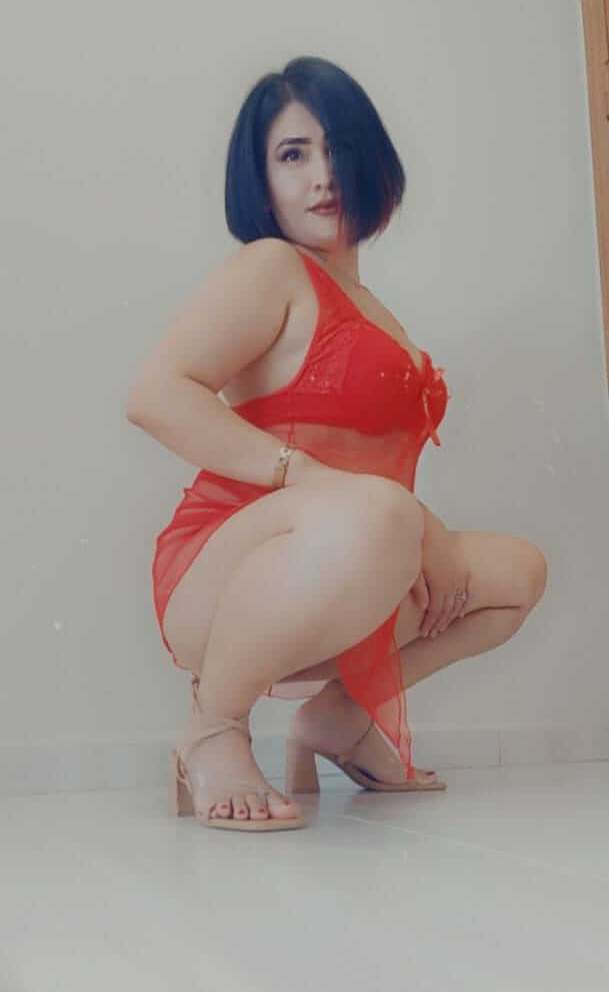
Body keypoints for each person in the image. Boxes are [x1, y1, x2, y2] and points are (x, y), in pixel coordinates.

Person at [126, 56, 545, 832]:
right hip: (225, 571)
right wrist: (315, 479)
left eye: (339, 149)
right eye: (293, 155)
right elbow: (155, 395)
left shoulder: (373, 306)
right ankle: (212, 727)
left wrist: (415, 527)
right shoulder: (271, 268)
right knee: (382, 517)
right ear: (259, 178)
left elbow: (375, 491)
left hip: (348, 561)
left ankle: (340, 717)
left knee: (515, 573)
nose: (323, 176)